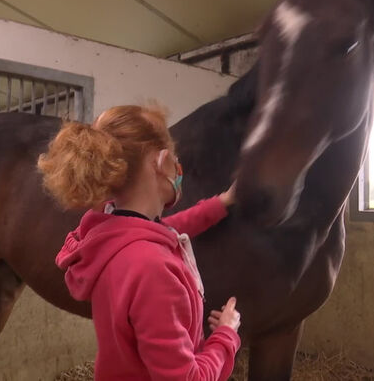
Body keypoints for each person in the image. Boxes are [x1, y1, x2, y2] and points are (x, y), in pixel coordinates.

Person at [37, 105, 241, 381]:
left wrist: (223, 202)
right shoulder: (153, 269)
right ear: (162, 161)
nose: (178, 169)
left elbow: (171, 228)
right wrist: (226, 336)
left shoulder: (111, 236)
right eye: (175, 158)